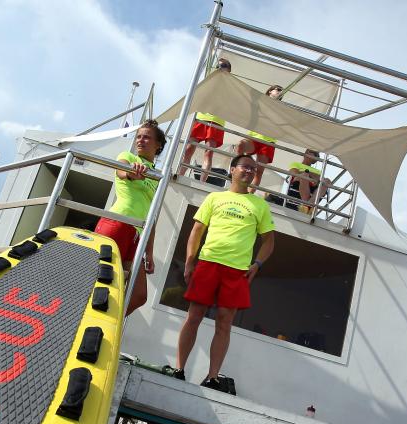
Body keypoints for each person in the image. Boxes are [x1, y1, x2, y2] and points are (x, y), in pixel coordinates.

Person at [169, 154, 275, 391]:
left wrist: (257, 264)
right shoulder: (215, 197)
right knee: (194, 315)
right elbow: (197, 231)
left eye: (254, 169)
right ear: (233, 170)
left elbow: (269, 242)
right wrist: (189, 261)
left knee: (224, 323)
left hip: (237, 271)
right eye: (245, 167)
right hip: (208, 263)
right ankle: (178, 369)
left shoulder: (260, 205)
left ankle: (213, 377)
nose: (249, 171)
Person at [94, 119, 166, 317]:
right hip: (117, 223)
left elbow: (152, 216)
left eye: (147, 137)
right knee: (99, 280)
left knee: (139, 295)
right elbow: (122, 171)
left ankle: (107, 322)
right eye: (139, 136)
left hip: (137, 234)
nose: (141, 140)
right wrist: (133, 174)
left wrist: (149, 253)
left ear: (158, 145)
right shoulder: (126, 156)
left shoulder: (158, 176)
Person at [178, 58, 231, 183]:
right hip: (201, 118)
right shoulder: (208, 80)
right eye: (218, 66)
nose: (219, 68)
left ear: (228, 70)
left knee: (208, 153)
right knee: (188, 149)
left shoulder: (230, 86)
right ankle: (179, 174)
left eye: (223, 66)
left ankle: (202, 182)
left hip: (216, 121)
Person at [235, 84, 283, 192]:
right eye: (278, 89)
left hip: (268, 141)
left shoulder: (281, 108)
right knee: (240, 145)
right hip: (254, 137)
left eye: (282, 91)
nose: (280, 92)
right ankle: (236, 169)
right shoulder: (260, 101)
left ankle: (250, 194)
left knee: (258, 171)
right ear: (270, 91)